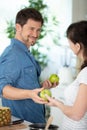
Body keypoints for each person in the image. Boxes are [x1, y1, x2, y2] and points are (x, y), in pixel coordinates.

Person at [0, 8, 57, 123]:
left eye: (38, 30)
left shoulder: (25, 53)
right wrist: (30, 94)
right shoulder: (13, 55)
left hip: (34, 122)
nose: (35, 34)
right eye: (31, 29)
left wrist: (41, 86)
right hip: (23, 124)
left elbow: (22, 84)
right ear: (18, 27)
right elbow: (3, 89)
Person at [45, 21, 87, 130]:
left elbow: (77, 114)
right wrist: (59, 103)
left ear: (77, 46)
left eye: (69, 43)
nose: (69, 47)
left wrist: (58, 104)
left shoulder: (86, 73)